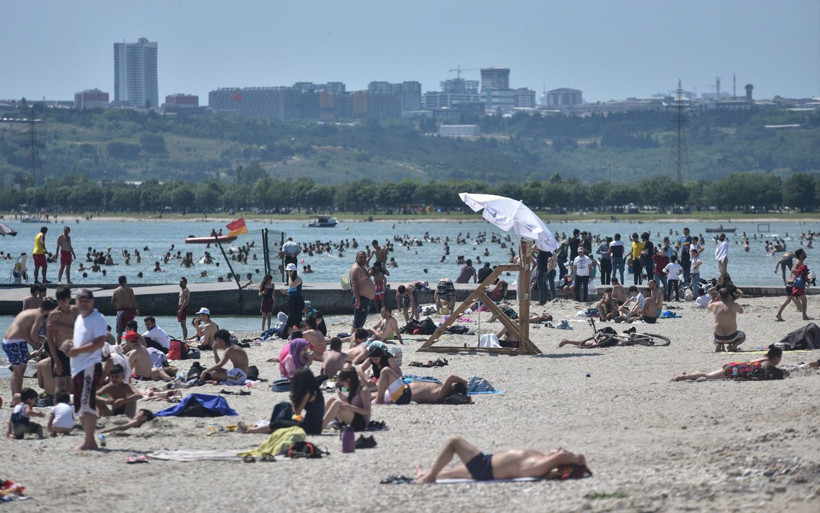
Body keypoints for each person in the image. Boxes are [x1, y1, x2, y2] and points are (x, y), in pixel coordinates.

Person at [414, 436, 586, 483]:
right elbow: (561, 456)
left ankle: (429, 477)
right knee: (451, 474)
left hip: (486, 467)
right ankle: (425, 475)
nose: (558, 448)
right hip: (487, 464)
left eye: (560, 450)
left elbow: (562, 456)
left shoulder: (541, 464)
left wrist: (576, 459)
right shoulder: (541, 458)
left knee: (454, 441)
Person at [64, 288, 107, 450]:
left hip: (89, 365)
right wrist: (70, 347)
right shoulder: (79, 319)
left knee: (87, 404)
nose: (83, 302)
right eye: (80, 299)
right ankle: (90, 441)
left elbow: (100, 342)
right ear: (76, 302)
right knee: (79, 405)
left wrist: (77, 351)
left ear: (92, 301)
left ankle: (89, 442)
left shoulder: (98, 318)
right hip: (78, 367)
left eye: (87, 300)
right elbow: (81, 341)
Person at [238, 367, 324, 435]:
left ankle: (249, 431)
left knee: (279, 423)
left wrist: (293, 400)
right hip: (315, 426)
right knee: (283, 418)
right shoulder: (315, 390)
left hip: (310, 428)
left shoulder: (308, 393)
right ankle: (255, 429)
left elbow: (297, 412)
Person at [3, 299, 55, 399]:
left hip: (8, 341)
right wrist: (45, 340)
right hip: (16, 343)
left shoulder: (28, 312)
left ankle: (16, 397)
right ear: (48, 310)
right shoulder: (39, 316)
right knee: (19, 372)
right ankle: (17, 398)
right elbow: (34, 336)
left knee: (17, 370)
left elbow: (25, 333)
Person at [675, 345, 787, 381]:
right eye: (780, 358)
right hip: (735, 369)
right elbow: (768, 372)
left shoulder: (762, 358)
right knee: (708, 376)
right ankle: (684, 377)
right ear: (776, 358)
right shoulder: (767, 363)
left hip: (735, 365)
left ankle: (687, 375)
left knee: (708, 374)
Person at [45, 286, 77, 397]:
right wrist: (56, 360)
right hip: (60, 351)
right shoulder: (54, 315)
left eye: (63, 301)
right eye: (58, 301)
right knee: (60, 386)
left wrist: (63, 326)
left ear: (69, 299)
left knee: (72, 385)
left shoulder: (75, 311)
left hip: (74, 351)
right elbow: (50, 339)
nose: (61, 303)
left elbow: (80, 331)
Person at [321, 367, 371, 431]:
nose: (343, 386)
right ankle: (320, 421)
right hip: (352, 416)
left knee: (337, 403)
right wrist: (343, 398)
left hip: (361, 423)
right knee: (332, 399)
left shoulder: (364, 390)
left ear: (348, 380)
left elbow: (367, 411)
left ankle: (321, 426)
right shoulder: (353, 388)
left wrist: (350, 407)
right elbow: (351, 405)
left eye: (343, 384)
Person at [377, 372, 468, 405]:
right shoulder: (442, 390)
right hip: (403, 390)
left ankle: (379, 400)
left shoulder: (442, 394)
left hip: (403, 394)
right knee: (377, 389)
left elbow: (451, 377)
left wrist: (464, 382)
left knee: (386, 371)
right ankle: (374, 397)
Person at [775, 248, 811, 322]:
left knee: (788, 300)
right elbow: (793, 270)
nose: (805, 254)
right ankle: (804, 316)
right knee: (803, 300)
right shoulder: (799, 261)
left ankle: (778, 314)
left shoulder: (798, 261)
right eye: (804, 253)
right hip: (794, 285)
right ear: (801, 255)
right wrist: (801, 272)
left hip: (790, 283)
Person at [708, 286, 745, 352]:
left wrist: (713, 298)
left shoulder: (714, 305)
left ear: (719, 295)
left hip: (718, 337)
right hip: (731, 337)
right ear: (729, 295)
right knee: (743, 335)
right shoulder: (734, 305)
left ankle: (717, 344)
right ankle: (734, 346)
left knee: (711, 335)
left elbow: (708, 306)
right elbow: (741, 311)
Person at [350, 251, 375, 332]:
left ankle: (357, 337)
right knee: (357, 322)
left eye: (364, 257)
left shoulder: (362, 267)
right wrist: (358, 299)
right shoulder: (356, 268)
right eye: (361, 257)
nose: (363, 259)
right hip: (361, 298)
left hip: (365, 298)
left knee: (361, 321)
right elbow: (354, 284)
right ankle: (353, 338)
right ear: (356, 258)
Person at [111, 275, 139, 343]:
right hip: (128, 310)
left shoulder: (116, 291)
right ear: (125, 281)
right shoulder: (129, 289)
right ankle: (131, 344)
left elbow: (112, 302)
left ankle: (118, 346)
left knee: (119, 331)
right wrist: (137, 308)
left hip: (120, 311)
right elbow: (133, 300)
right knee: (131, 329)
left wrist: (117, 306)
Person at [281, 263, 305, 337]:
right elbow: (292, 292)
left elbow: (291, 286)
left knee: (291, 319)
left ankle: (284, 334)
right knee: (296, 319)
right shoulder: (292, 279)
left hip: (297, 302)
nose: (287, 272)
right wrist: (285, 292)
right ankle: (298, 333)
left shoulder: (297, 279)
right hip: (293, 301)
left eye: (288, 271)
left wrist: (290, 276)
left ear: (292, 271)